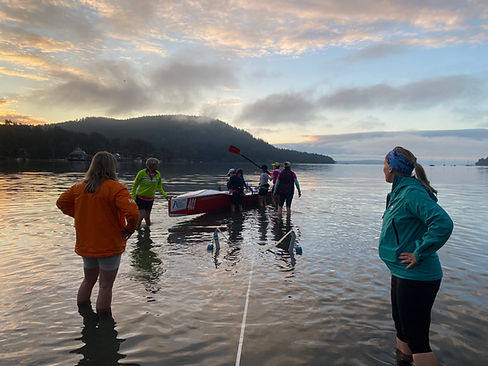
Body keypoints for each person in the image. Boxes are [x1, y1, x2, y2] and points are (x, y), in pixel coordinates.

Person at [379, 146, 453, 366]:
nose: (382, 169)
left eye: (384, 164)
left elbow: (443, 223)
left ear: (391, 168)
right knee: (402, 331)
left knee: (418, 339)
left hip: (418, 276)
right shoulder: (398, 193)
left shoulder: (412, 193)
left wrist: (418, 252)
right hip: (401, 272)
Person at [56, 151, 139, 322]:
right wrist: (129, 230)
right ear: (112, 167)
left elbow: (61, 203)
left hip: (87, 243)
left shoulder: (79, 187)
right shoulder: (116, 188)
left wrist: (81, 216)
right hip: (109, 244)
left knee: (88, 281)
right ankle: (105, 322)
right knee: (105, 286)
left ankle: (84, 315)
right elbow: (132, 213)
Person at [131, 157, 169, 228]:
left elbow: (159, 187)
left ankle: (147, 234)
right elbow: (134, 185)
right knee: (141, 216)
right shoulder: (141, 173)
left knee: (147, 219)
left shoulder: (158, 174)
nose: (158, 166)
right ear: (152, 165)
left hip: (150, 199)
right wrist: (133, 197)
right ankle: (135, 230)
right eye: (157, 165)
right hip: (140, 198)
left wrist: (165, 196)